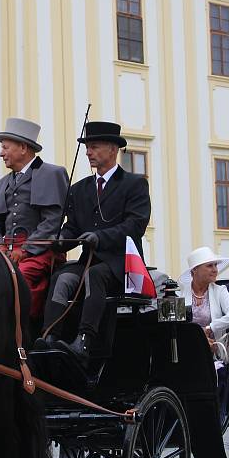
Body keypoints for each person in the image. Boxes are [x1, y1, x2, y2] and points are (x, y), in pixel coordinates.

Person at [35, 121, 151, 363]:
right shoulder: (79, 190)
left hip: (122, 265)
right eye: (87, 147)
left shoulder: (134, 185)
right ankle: (49, 337)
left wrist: (100, 237)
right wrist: (60, 241)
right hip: (90, 261)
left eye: (94, 147)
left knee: (93, 276)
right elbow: (72, 228)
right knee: (62, 278)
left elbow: (134, 226)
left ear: (112, 149)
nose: (88, 152)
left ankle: (85, 340)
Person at [0, 117, 69, 322]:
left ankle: (22, 331)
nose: (1, 153)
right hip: (8, 251)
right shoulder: (4, 182)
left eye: (5, 147)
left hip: (42, 251)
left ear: (23, 147)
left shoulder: (52, 174)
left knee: (18, 279)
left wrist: (26, 250)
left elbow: (53, 220)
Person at [178, 246, 229, 344]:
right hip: (186, 346)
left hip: (214, 350)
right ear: (195, 270)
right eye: (209, 266)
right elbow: (177, 327)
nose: (215, 270)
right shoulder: (180, 293)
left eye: (215, 265)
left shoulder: (220, 291)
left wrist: (210, 328)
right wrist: (199, 340)